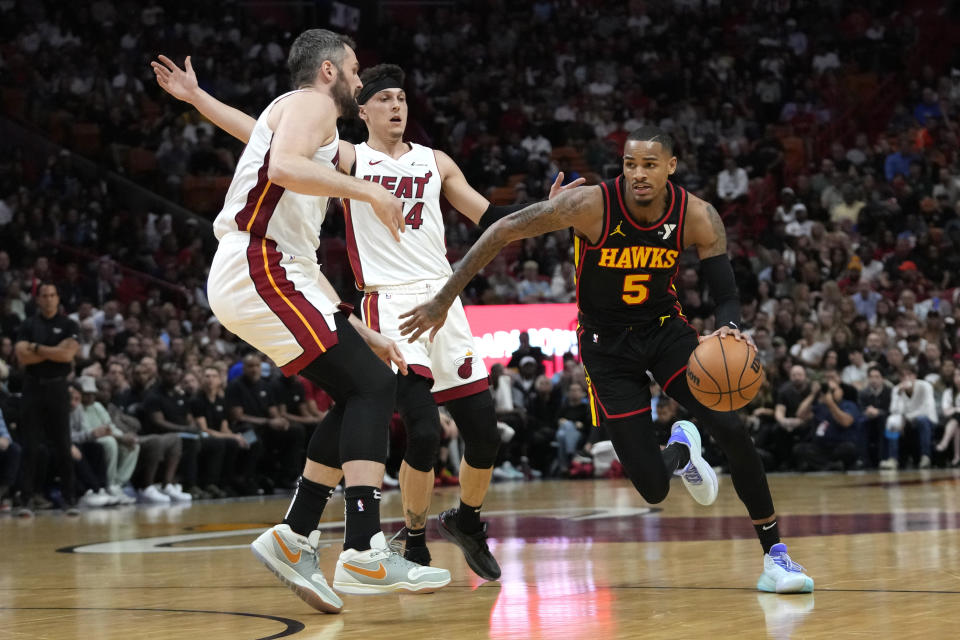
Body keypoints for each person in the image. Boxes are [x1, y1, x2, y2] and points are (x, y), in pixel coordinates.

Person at [153, 56, 580, 580]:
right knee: (420, 429)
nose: (396, 105)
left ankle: (461, 523)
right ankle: (409, 543)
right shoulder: (351, 157)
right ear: (363, 110)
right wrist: (199, 99)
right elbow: (262, 136)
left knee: (484, 435)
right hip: (391, 302)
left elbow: (491, 219)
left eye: (402, 98)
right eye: (384, 98)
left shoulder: (435, 160)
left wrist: (545, 211)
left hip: (445, 296)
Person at [399, 126, 814, 593]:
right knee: (653, 488)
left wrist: (731, 326)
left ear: (671, 167)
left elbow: (726, 293)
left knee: (733, 428)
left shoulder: (697, 214)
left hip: (665, 333)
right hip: (606, 349)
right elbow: (501, 230)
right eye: (630, 163)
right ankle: (681, 448)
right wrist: (442, 300)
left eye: (650, 165)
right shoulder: (592, 205)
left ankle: (776, 556)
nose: (638, 174)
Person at [152, 30, 449, 610]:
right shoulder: (311, 104)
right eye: (357, 69)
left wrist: (197, 98)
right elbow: (282, 164)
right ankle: (363, 550)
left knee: (358, 387)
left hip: (273, 270)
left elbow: (254, 136)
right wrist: (367, 191)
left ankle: (296, 535)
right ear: (330, 72)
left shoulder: (301, 119)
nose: (363, 81)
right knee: (371, 385)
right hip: (259, 261)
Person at [13, 283, 80, 514]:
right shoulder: (28, 324)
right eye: (45, 296)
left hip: (58, 389)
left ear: (58, 298)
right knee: (30, 446)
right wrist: (53, 351)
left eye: (53, 295)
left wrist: (37, 348)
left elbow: (68, 355)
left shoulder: (69, 324)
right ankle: (25, 500)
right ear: (38, 299)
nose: (49, 299)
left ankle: (69, 499)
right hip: (32, 389)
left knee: (63, 444)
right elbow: (23, 357)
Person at [882, 364, 936, 470]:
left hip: (926, 420)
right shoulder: (896, 389)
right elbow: (893, 410)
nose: (906, 378)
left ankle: (925, 457)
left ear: (915, 376)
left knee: (921, 420)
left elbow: (926, 410)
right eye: (902, 376)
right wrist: (899, 394)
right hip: (905, 423)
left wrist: (906, 418)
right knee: (892, 421)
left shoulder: (925, 386)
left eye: (909, 375)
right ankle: (892, 459)